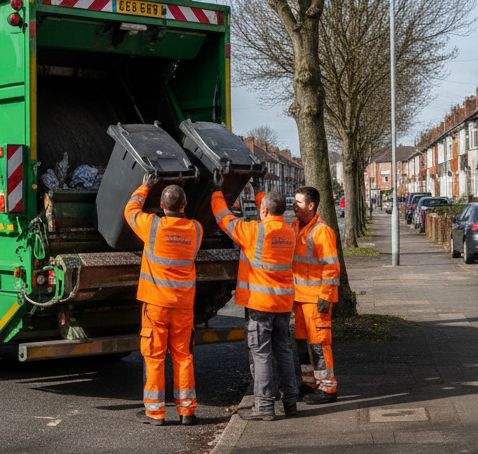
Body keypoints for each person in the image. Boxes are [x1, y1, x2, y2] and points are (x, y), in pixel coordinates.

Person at [210, 177, 298, 421]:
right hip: (283, 303)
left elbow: (223, 218)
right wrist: (260, 192)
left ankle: (265, 406)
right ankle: (290, 402)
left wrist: (217, 191)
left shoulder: (252, 231)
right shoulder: (290, 231)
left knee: (260, 353)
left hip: (259, 304)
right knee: (283, 350)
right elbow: (270, 207)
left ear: (264, 211)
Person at [125, 172, 203, 426]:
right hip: (183, 305)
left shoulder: (152, 226)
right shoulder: (196, 229)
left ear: (161, 205)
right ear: (184, 205)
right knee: (183, 356)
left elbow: (131, 210)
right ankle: (187, 411)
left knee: (154, 357)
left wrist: (144, 187)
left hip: (156, 305)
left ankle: (156, 413)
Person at [291, 185, 340, 404]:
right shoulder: (295, 227)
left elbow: (332, 267)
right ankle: (310, 382)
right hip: (300, 298)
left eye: (298, 202)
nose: (294, 205)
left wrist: (325, 296)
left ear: (311, 206)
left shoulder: (322, 231)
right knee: (303, 343)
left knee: (319, 344)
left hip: (316, 299)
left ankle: (328, 388)